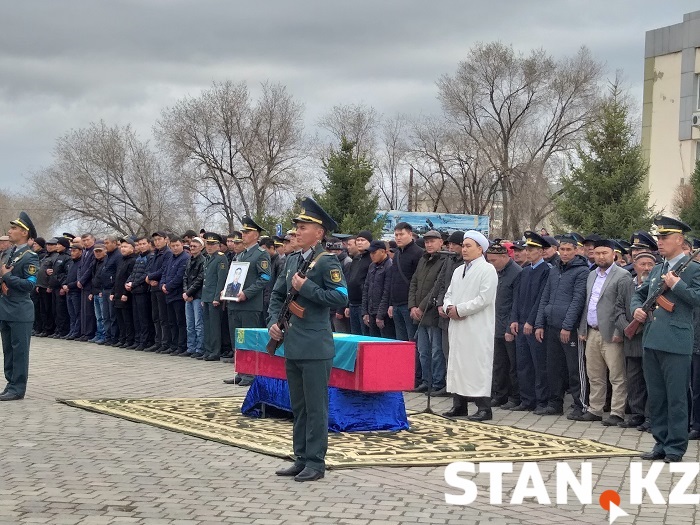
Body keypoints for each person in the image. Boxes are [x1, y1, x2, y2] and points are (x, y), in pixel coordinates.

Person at [269, 197, 348, 482]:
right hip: (293, 343)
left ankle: (315, 461)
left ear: (319, 232)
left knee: (316, 407)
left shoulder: (327, 262)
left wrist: (309, 287)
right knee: (299, 406)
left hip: (315, 347)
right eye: (297, 227)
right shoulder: (291, 260)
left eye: (303, 227)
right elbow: (277, 295)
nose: (297, 232)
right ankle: (300, 456)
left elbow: (341, 297)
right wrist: (272, 324)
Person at [632, 216, 700, 462]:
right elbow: (638, 295)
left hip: (676, 342)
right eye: (658, 237)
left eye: (664, 237)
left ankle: (675, 447)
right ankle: (660, 442)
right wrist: (636, 310)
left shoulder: (693, 270)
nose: (659, 242)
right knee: (657, 396)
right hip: (652, 339)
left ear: (679, 240)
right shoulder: (658, 269)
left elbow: (697, 299)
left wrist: (678, 284)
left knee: (676, 398)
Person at [441, 230, 498, 420]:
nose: (464, 249)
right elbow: (449, 294)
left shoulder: (487, 270)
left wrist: (461, 309)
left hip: (476, 326)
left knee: (476, 365)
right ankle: (459, 404)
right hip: (457, 325)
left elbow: (484, 299)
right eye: (463, 246)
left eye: (468, 246)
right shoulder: (458, 270)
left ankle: (484, 407)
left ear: (480, 249)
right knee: (457, 363)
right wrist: (449, 307)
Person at [576, 239, 631, 425]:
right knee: (594, 374)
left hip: (612, 333)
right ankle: (595, 409)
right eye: (597, 253)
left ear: (613, 254)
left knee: (616, 375)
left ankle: (617, 412)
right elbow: (588, 304)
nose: (600, 256)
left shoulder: (622, 276)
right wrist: (583, 328)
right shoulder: (592, 275)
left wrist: (619, 330)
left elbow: (623, 306)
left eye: (604, 253)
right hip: (592, 332)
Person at [534, 235, 588, 417]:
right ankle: (554, 403)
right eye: (562, 249)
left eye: (568, 250)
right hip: (551, 325)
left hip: (569, 329)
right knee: (553, 367)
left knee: (574, 369)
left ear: (576, 251)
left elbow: (578, 300)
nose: (564, 253)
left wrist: (567, 326)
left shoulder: (582, 271)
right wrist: (540, 323)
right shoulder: (554, 270)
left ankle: (580, 404)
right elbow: (545, 297)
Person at [223, 217, 270, 382]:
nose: (243, 235)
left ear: (256, 235)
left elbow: (265, 278)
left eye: (247, 232)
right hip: (234, 303)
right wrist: (227, 289)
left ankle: (250, 373)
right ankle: (241, 371)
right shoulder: (240, 255)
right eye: (242, 232)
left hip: (250, 304)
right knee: (237, 339)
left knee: (249, 340)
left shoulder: (261, 254)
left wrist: (247, 293)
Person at [509, 231, 551, 412]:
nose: (528, 252)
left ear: (541, 252)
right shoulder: (525, 272)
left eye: (533, 249)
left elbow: (541, 299)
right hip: (521, 323)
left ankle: (541, 400)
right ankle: (527, 400)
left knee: (538, 365)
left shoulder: (547, 271)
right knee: (523, 364)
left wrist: (531, 321)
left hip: (534, 326)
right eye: (527, 249)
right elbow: (517, 298)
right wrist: (514, 320)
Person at [0, 212, 40, 401]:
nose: (10, 231)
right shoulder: (8, 253)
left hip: (19, 310)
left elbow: (29, 285)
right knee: (8, 349)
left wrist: (8, 277)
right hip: (5, 308)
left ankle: (18, 388)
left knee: (20, 351)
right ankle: (10, 384)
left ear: (24, 233)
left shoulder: (30, 257)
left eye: (14, 228)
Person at [614, 251, 655, 429]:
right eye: (642, 264)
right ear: (635, 265)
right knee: (634, 379)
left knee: (651, 380)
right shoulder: (625, 284)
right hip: (631, 339)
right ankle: (637, 414)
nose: (646, 268)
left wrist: (641, 326)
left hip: (650, 338)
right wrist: (627, 327)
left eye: (650, 265)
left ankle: (650, 417)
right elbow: (618, 309)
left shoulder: (657, 284)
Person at [485, 240, 522, 410]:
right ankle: (499, 395)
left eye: (493, 260)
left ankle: (515, 397)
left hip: (509, 326)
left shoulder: (516, 273)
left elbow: (516, 303)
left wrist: (509, 327)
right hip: (494, 324)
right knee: (498, 364)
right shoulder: (494, 272)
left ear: (504, 257)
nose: (490, 264)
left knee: (513, 365)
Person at [409, 230, 446, 395]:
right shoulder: (423, 260)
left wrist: (422, 307)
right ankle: (426, 380)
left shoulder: (445, 261)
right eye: (427, 242)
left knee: (436, 350)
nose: (429, 245)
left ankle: (437, 382)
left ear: (441, 243)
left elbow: (436, 287)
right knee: (423, 350)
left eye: (433, 241)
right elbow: (414, 283)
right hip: (418, 313)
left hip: (432, 314)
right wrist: (412, 306)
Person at [436, 231, 465, 369]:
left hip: (458, 312)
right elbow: (442, 283)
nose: (450, 247)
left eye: (454, 244)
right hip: (445, 310)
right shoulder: (448, 260)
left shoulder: (466, 264)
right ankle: (448, 382)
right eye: (449, 244)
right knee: (445, 350)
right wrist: (440, 303)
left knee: (458, 352)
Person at [199, 233, 228, 361]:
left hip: (214, 297)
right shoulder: (207, 258)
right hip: (206, 296)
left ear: (218, 245)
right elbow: (205, 280)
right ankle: (208, 349)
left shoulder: (221, 258)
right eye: (207, 244)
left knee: (215, 326)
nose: (209, 247)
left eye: (212, 244)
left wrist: (217, 297)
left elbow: (221, 280)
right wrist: (203, 298)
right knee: (207, 324)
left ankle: (215, 352)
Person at [161, 236, 190, 355]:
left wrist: (167, 287)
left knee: (180, 322)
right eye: (172, 246)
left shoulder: (185, 258)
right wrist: (162, 285)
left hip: (178, 295)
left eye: (177, 245)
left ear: (182, 245)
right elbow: (164, 273)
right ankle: (173, 345)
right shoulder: (170, 258)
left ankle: (181, 345)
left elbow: (179, 277)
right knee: (171, 322)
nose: (175, 248)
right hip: (168, 295)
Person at [146, 231, 172, 353]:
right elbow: (150, 268)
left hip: (161, 288)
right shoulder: (155, 253)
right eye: (155, 240)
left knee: (163, 317)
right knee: (155, 316)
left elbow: (164, 269)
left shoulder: (168, 253)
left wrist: (152, 277)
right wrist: (150, 278)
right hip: (153, 288)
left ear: (166, 239)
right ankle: (158, 341)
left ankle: (165, 342)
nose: (157, 242)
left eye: (159, 239)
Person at [126, 237, 154, 350]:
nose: (141, 246)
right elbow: (134, 273)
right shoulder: (139, 257)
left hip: (143, 291)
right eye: (140, 244)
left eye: (144, 244)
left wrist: (134, 283)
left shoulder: (150, 257)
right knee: (136, 318)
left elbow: (146, 274)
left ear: (148, 244)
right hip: (135, 291)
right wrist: (128, 282)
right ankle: (137, 340)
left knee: (144, 318)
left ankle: (145, 341)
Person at [361, 240, 394, 338]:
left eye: (374, 253)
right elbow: (366, 289)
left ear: (383, 252)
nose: (371, 255)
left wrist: (380, 315)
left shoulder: (390, 266)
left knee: (385, 344)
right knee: (372, 343)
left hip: (383, 314)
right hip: (371, 311)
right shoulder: (372, 266)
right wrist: (365, 312)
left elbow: (387, 292)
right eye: (370, 253)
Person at [346, 231, 373, 336]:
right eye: (358, 240)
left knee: (364, 336)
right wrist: (347, 305)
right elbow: (350, 281)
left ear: (369, 242)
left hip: (363, 304)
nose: (360, 243)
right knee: (354, 335)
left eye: (363, 240)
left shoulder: (371, 258)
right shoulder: (356, 259)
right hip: (353, 303)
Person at [112, 238, 137, 348]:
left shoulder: (133, 261)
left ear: (132, 248)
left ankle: (129, 339)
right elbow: (117, 278)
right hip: (117, 293)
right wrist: (113, 292)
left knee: (127, 319)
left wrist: (125, 294)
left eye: (125, 246)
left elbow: (129, 279)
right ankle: (122, 338)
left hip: (125, 294)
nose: (123, 249)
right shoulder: (121, 260)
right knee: (120, 319)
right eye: (121, 247)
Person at [183, 236, 205, 357]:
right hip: (188, 296)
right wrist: (186, 292)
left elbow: (200, 280)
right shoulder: (189, 260)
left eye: (195, 246)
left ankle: (199, 348)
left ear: (201, 247)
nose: (192, 248)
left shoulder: (203, 261)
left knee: (198, 324)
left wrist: (189, 293)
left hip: (197, 295)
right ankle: (190, 347)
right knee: (189, 324)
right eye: (191, 246)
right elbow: (185, 277)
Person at [48, 237, 71, 338]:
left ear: (64, 245)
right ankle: (57, 329)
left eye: (58, 244)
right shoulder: (58, 256)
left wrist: (63, 286)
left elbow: (67, 273)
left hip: (61, 287)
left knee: (61, 310)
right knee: (55, 310)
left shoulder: (67, 257)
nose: (56, 246)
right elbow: (56, 272)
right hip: (54, 287)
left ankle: (63, 330)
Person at [76, 233, 97, 341]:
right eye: (84, 240)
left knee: (89, 311)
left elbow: (90, 268)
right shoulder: (84, 252)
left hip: (89, 284)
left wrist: (82, 280)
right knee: (83, 310)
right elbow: (80, 267)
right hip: (83, 284)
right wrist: (79, 279)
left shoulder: (94, 251)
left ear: (93, 240)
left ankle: (89, 333)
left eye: (88, 240)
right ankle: (84, 332)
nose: (86, 242)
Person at [62, 243, 83, 340]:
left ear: (80, 251)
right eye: (71, 251)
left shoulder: (81, 263)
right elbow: (68, 276)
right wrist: (64, 284)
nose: (72, 253)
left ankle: (76, 331)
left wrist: (69, 285)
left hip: (75, 291)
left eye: (75, 251)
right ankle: (72, 330)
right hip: (68, 291)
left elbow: (79, 279)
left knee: (77, 312)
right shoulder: (71, 262)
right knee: (71, 313)